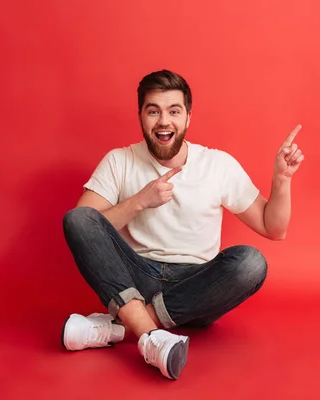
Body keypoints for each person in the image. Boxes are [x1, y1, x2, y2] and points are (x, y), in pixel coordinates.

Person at [61, 70, 305, 380]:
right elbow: (86, 223)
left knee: (251, 263)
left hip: (198, 289)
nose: (164, 121)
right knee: (76, 217)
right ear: (141, 116)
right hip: (138, 279)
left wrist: (282, 179)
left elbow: (274, 228)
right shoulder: (119, 161)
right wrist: (139, 201)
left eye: (174, 111)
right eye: (154, 111)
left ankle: (123, 328)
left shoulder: (217, 165)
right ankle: (153, 337)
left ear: (188, 118)